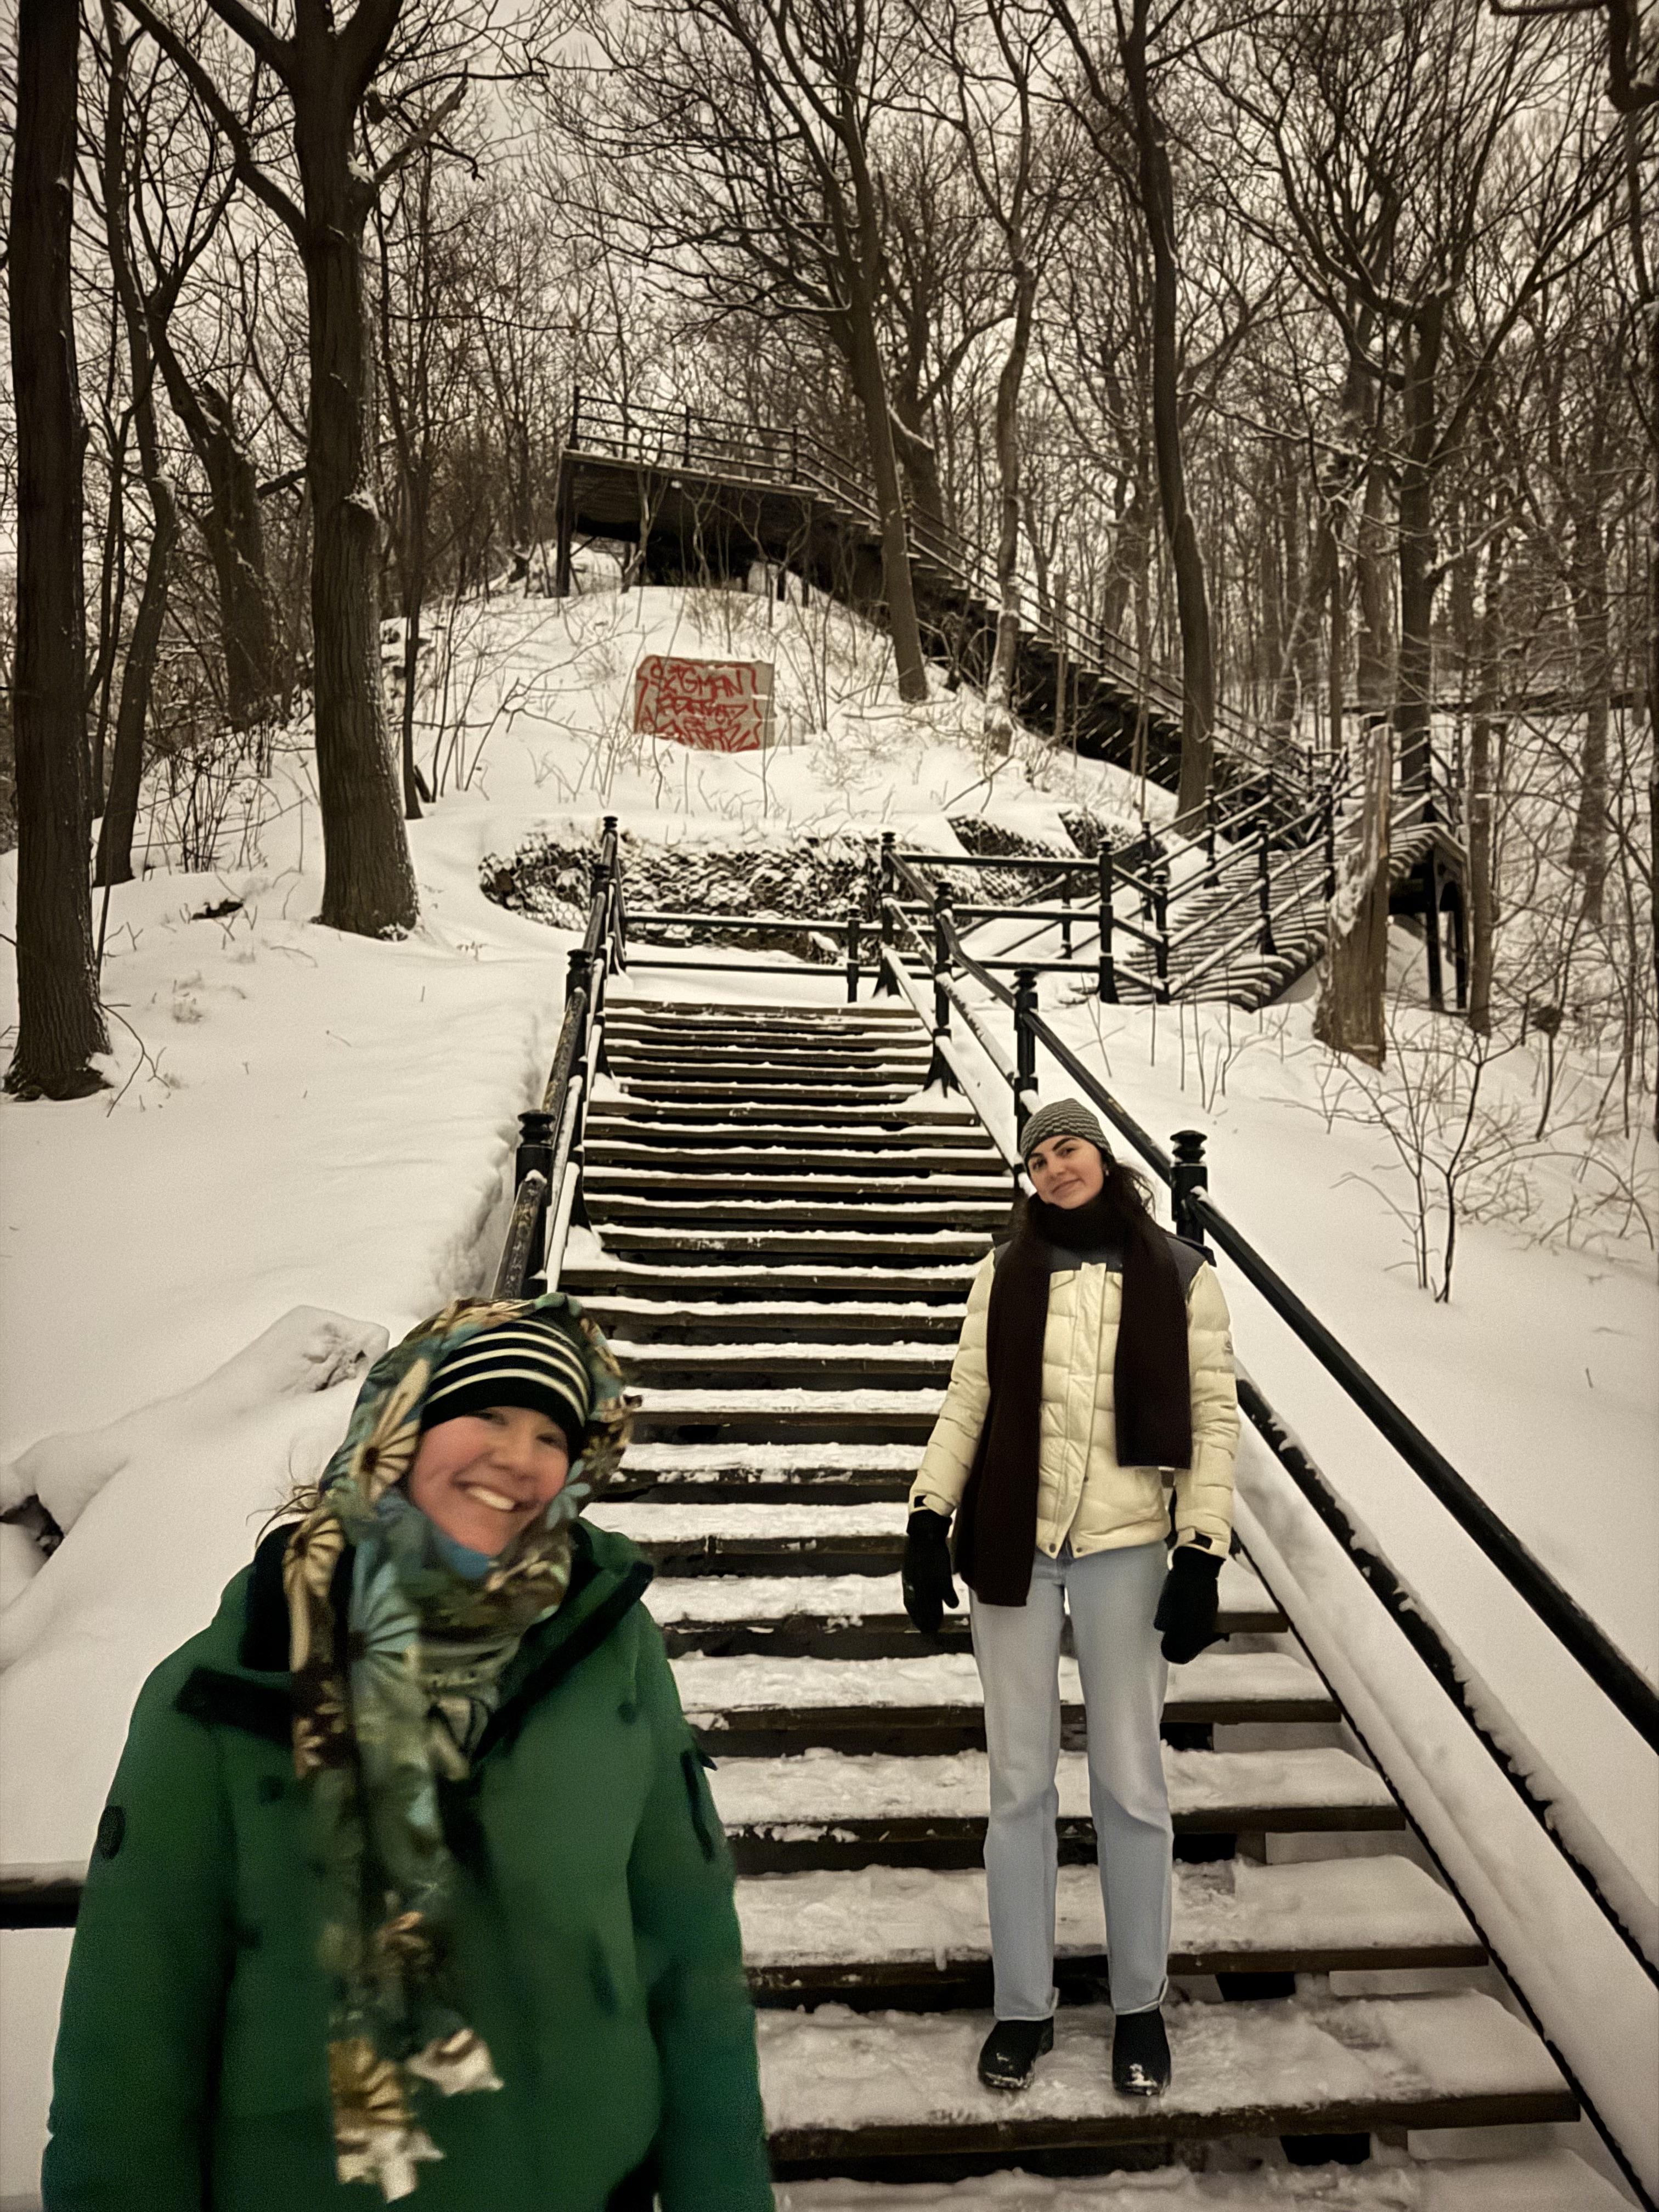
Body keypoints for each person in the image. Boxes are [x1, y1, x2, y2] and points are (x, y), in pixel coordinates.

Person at [43, 1293, 773, 2211]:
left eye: (553, 1436)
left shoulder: (609, 1655)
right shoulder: (225, 1693)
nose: (521, 1457)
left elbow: (694, 1967)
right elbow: (127, 2069)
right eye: (488, 1415)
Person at [901, 1100, 1239, 2100]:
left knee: (1131, 1786)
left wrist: (1202, 1551)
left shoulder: (1182, 1272)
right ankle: (1023, 2008)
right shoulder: (1005, 1272)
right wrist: (927, 1515)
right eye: (1039, 1158)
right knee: (1018, 1786)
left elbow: (1213, 1417)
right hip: (1013, 1544)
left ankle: (1139, 2006)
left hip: (1127, 1550)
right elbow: (970, 1399)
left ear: (1102, 1156)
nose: (1055, 1167)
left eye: (1069, 1149)